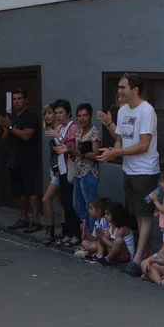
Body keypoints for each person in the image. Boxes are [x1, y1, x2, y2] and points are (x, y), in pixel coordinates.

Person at [96, 73, 160, 275]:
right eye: (119, 87)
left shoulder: (147, 110)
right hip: (129, 170)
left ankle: (137, 260)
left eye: (123, 87)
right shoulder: (123, 110)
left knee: (144, 216)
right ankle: (144, 258)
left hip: (145, 170)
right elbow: (120, 139)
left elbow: (143, 145)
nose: (119, 91)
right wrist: (111, 148)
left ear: (135, 89)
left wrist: (116, 153)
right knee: (137, 216)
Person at [0, 89, 42, 233]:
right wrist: (7, 128)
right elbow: (5, 139)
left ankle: (36, 220)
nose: (16, 102)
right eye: (15, 99)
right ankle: (23, 218)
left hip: (28, 158)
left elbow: (26, 136)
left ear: (25, 100)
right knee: (18, 190)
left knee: (30, 189)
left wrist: (10, 126)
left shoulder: (31, 116)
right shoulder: (14, 118)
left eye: (19, 98)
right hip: (15, 159)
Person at [50, 99, 81, 247]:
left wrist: (58, 136)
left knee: (72, 203)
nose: (58, 115)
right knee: (65, 202)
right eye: (56, 113)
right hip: (62, 169)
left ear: (68, 113)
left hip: (71, 170)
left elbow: (71, 147)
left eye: (61, 112)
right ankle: (68, 232)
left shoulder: (72, 127)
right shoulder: (60, 127)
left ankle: (76, 234)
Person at [69, 103, 101, 242]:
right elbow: (76, 152)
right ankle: (88, 232)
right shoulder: (78, 132)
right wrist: (71, 150)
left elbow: (96, 154)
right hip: (78, 172)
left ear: (90, 116)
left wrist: (83, 153)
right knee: (77, 205)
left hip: (89, 173)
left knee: (91, 207)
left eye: (85, 115)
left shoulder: (94, 132)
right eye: (79, 116)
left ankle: (94, 238)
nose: (82, 118)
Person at [38, 105, 63, 245]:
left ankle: (50, 230)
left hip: (59, 171)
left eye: (50, 113)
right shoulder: (53, 130)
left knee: (46, 199)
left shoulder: (58, 130)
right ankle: (64, 229)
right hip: (54, 169)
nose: (47, 116)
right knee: (60, 201)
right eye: (45, 113)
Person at [89, 202, 135, 267]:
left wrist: (102, 236)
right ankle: (99, 256)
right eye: (105, 214)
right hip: (115, 255)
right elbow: (104, 241)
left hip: (125, 257)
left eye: (108, 214)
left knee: (118, 241)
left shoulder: (122, 229)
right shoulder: (110, 226)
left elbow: (116, 246)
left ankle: (106, 259)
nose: (105, 216)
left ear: (116, 215)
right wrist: (100, 235)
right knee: (102, 238)